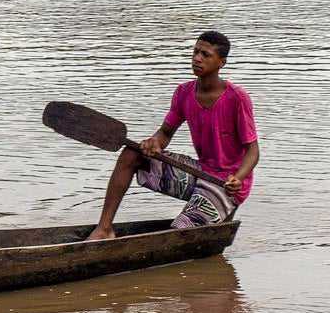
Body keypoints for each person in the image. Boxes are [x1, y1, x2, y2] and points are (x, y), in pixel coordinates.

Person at [85, 30, 259, 241]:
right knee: (132, 154)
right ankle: (104, 229)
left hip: (226, 184)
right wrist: (154, 143)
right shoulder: (184, 92)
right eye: (195, 52)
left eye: (205, 54)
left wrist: (238, 178)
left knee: (180, 230)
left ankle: (219, 208)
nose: (197, 58)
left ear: (221, 62)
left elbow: (253, 150)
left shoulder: (237, 98)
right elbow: (165, 132)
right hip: (200, 172)